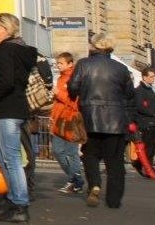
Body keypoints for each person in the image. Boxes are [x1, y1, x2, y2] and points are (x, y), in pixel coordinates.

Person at [68, 32, 134, 209]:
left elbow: (72, 87)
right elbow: (129, 94)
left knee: (90, 155)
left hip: (90, 117)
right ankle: (113, 200)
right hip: (116, 119)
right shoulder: (121, 68)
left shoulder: (84, 64)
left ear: (93, 46)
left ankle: (95, 184)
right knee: (115, 162)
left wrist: (81, 95)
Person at [0, 12, 36, 223]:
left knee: (10, 159)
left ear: (7, 30)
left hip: (6, 108)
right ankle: (13, 200)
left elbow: (4, 81)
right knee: (2, 157)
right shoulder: (22, 51)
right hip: (15, 107)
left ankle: (20, 203)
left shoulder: (6, 51)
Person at [50, 52, 86, 194]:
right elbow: (57, 102)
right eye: (57, 63)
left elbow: (74, 102)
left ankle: (74, 181)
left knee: (71, 152)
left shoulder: (74, 78)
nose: (58, 66)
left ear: (70, 64)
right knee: (57, 151)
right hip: (59, 119)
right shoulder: (60, 78)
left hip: (71, 119)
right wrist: (53, 116)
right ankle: (75, 179)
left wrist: (58, 93)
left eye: (61, 63)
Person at [133, 67, 155, 176]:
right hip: (147, 123)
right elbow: (140, 106)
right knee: (150, 146)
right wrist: (152, 113)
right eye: (151, 77)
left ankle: (139, 163)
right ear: (144, 77)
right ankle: (148, 168)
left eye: (154, 76)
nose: (154, 79)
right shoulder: (139, 90)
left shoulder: (150, 89)